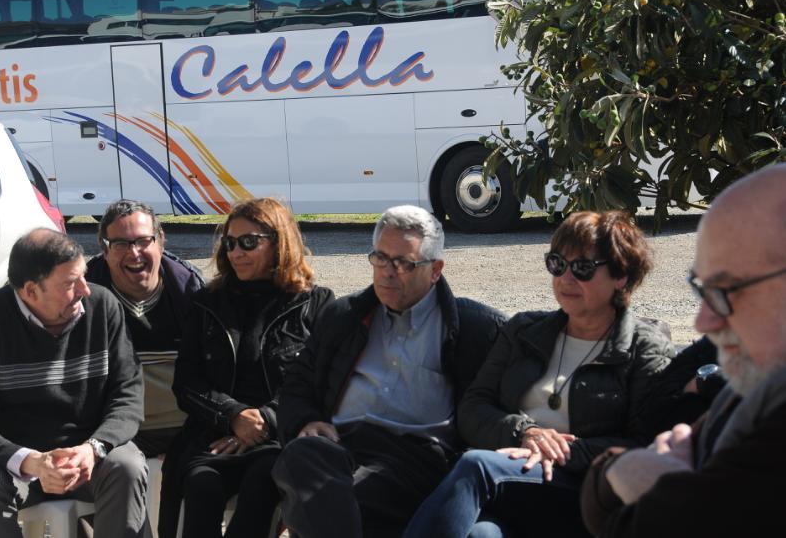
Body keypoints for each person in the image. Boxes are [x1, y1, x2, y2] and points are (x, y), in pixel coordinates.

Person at [404, 210, 674, 538]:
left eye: (583, 268)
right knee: (481, 535)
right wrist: (525, 434)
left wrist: (562, 452)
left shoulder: (644, 348)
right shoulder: (524, 331)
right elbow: (473, 409)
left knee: (476, 465)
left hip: (584, 493)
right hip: (512, 483)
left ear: (622, 276)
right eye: (557, 264)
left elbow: (646, 445)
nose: (566, 278)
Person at [272, 205, 507, 538]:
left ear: (435, 270)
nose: (387, 272)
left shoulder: (476, 328)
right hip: (342, 447)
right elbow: (298, 384)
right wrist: (306, 420)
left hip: (418, 460)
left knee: (331, 500)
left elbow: (495, 408)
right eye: (380, 258)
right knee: (301, 455)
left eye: (403, 263)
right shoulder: (344, 317)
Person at [580, 163, 786, 537]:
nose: (704, 322)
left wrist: (621, 474)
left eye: (727, 291)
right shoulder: (751, 392)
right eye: (702, 290)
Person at [0, 229, 148, 538]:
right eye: (70, 283)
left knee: (128, 466)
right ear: (30, 291)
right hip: (14, 463)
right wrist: (31, 462)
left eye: (83, 276)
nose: (85, 290)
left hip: (89, 454)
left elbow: (128, 396)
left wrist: (93, 449)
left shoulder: (103, 307)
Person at [158, 197, 334, 538]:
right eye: (230, 243)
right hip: (214, 434)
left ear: (279, 243)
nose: (236, 253)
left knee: (264, 480)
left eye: (248, 242)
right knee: (201, 484)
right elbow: (187, 381)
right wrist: (233, 416)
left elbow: (320, 382)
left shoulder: (315, 304)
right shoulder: (206, 303)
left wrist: (265, 419)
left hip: (280, 437)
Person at [86, 199, 204, 458]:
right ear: (104, 249)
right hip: (112, 433)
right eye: (120, 244)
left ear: (160, 241)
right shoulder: (83, 297)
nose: (134, 253)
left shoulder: (192, 292)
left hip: (189, 428)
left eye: (143, 241)